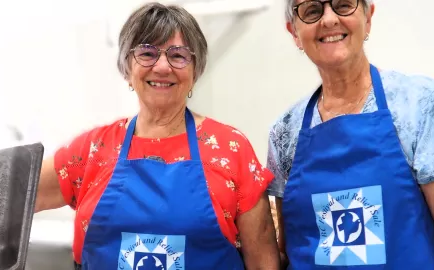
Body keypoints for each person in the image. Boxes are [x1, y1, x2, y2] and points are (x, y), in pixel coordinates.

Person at [33, 2, 279, 269]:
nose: (162, 67)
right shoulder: (92, 149)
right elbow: (13, 196)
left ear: (195, 72)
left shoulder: (231, 149)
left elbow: (262, 261)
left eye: (178, 56)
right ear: (127, 68)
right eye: (147, 53)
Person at [267, 0, 434, 269]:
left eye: (343, 5)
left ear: (368, 17)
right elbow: (287, 248)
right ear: (294, 33)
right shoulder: (285, 130)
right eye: (312, 10)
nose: (328, 20)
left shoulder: (420, 103)